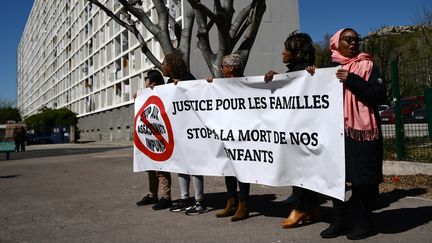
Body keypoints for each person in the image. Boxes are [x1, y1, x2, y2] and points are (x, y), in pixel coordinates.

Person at [320, 28, 386, 240]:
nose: (353, 43)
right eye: (347, 39)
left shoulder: (368, 65)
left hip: (362, 133)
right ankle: (340, 221)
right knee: (336, 179)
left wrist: (351, 79)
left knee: (363, 180)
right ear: (335, 43)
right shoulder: (327, 69)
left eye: (356, 39)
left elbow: (378, 94)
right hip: (335, 133)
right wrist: (309, 75)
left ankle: (364, 222)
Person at [265, 31, 322, 229]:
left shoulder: (307, 73)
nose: (282, 53)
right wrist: (274, 79)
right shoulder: (292, 74)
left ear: (297, 53)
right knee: (301, 170)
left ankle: (299, 208)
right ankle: (312, 207)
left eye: (286, 49)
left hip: (304, 132)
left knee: (301, 171)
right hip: (294, 132)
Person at [161, 52, 208, 215]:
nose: (162, 66)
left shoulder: (189, 79)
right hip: (178, 131)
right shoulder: (168, 82)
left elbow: (197, 97)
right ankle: (185, 198)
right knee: (181, 165)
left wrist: (181, 86)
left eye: (164, 63)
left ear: (172, 65)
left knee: (194, 166)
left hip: (191, 131)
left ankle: (199, 201)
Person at [213, 54, 251, 221]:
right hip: (227, 133)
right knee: (228, 169)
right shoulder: (220, 85)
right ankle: (231, 202)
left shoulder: (248, 84)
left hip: (243, 135)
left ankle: (243, 205)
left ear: (232, 68)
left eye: (223, 67)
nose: (221, 70)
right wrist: (208, 86)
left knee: (242, 170)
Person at [136, 69, 174, 210]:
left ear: (152, 81)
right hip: (149, 136)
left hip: (161, 136)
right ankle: (152, 194)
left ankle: (166, 197)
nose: (144, 82)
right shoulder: (146, 94)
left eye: (146, 79)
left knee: (161, 168)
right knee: (150, 167)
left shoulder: (164, 92)